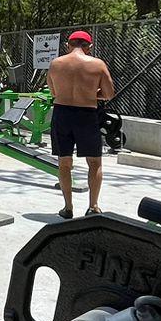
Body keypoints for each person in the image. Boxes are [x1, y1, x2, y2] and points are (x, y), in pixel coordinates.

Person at [47, 30, 114, 219]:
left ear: (68, 45)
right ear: (89, 47)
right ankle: (93, 206)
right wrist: (91, 93)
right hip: (86, 114)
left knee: (64, 162)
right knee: (94, 162)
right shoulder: (97, 65)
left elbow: (54, 93)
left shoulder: (56, 64)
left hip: (62, 114)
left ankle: (68, 207)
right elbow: (109, 94)